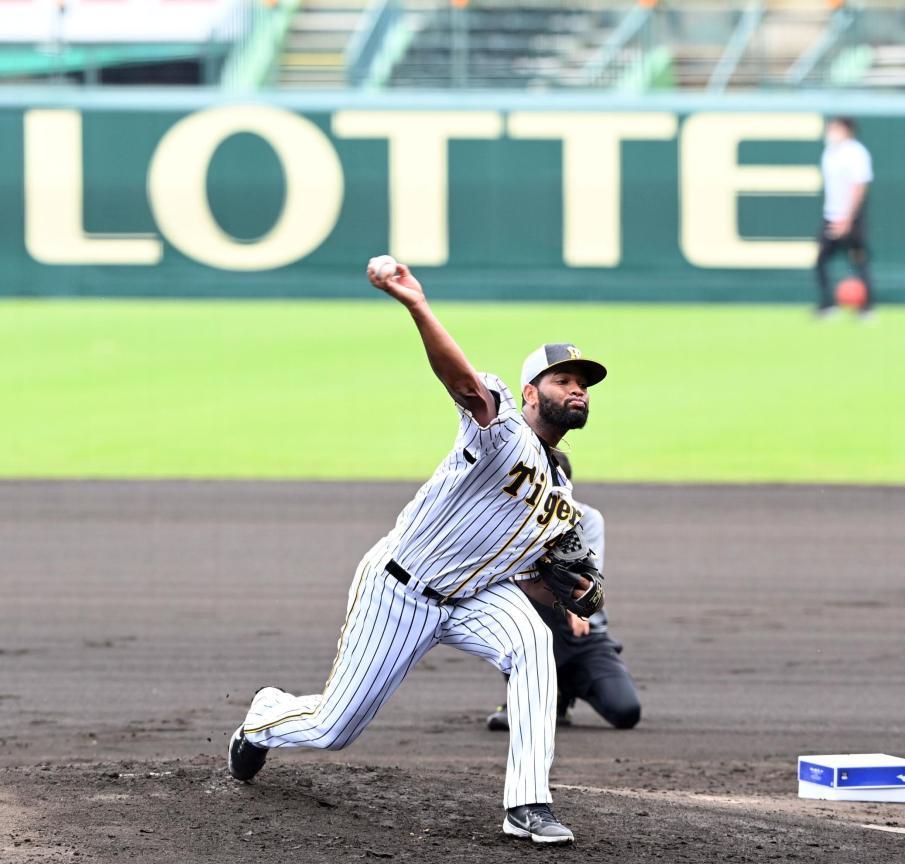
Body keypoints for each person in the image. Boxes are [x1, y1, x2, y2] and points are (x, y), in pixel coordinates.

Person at [226, 256, 607, 845]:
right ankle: (265, 716)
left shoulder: (560, 492)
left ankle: (527, 803)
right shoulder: (501, 430)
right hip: (399, 588)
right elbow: (463, 383)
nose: (577, 389)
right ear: (531, 392)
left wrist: (568, 599)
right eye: (564, 380)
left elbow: (532, 575)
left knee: (533, 642)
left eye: (583, 383)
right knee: (335, 728)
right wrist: (416, 304)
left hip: (474, 596)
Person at [486, 452, 641, 733]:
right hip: (529, 632)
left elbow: (585, 578)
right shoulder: (509, 520)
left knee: (626, 711)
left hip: (581, 637)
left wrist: (576, 607)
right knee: (513, 612)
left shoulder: (587, 518)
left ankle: (563, 688)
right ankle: (526, 697)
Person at [815, 116, 875, 318]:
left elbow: (858, 187)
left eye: (835, 128)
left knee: (859, 259)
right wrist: (835, 216)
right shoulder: (829, 153)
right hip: (831, 215)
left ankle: (866, 308)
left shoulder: (856, 153)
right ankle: (827, 304)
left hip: (852, 217)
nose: (830, 131)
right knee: (821, 260)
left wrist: (847, 219)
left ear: (846, 130)